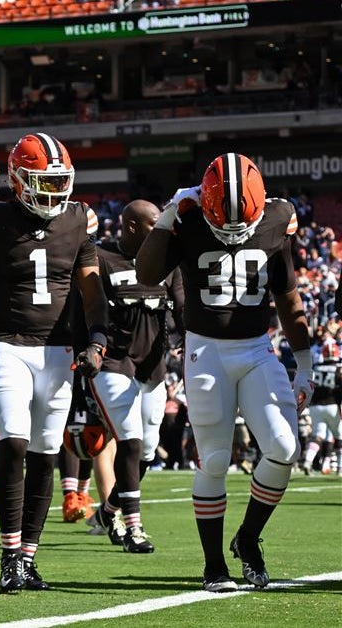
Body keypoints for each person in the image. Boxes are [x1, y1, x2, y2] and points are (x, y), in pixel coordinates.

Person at [135, 153, 311, 592]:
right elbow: (146, 272)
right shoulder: (189, 217)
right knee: (214, 457)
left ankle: (247, 539)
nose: (234, 231)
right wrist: (167, 219)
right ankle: (214, 566)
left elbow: (288, 298)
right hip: (206, 350)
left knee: (285, 447)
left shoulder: (277, 217)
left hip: (256, 349)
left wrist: (305, 362)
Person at [0, 132, 108, 593]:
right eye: (44, 181)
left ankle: (28, 556)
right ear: (18, 181)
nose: (55, 192)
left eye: (60, 182)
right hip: (9, 346)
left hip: (58, 350)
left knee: (44, 452)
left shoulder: (79, 219)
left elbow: (92, 290)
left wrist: (97, 340)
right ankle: (9, 554)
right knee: (13, 445)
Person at [76, 199, 184, 553]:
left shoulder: (168, 264)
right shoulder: (100, 257)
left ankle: (109, 510)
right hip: (113, 361)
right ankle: (134, 529)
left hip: (152, 366)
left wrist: (190, 347)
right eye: (155, 224)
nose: (162, 231)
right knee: (130, 438)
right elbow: (89, 310)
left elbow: (182, 309)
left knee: (148, 452)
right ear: (133, 226)